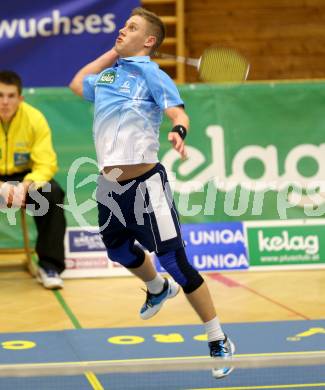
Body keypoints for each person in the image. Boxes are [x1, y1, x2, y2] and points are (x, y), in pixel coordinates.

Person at [69, 7, 234, 378]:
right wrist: (114, 52)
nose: (121, 30)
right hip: (109, 186)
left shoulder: (154, 75)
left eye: (131, 28)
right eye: (122, 26)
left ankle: (217, 336)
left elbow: (179, 113)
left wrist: (179, 131)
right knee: (117, 249)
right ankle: (156, 288)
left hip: (146, 185)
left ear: (149, 41)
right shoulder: (110, 75)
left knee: (176, 262)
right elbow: (78, 83)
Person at [0, 70, 66, 289]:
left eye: (10, 96)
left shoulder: (34, 118)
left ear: (20, 98)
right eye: (0, 95)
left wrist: (27, 186)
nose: (5, 102)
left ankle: (50, 266)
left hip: (24, 177)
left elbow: (46, 162)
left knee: (52, 193)